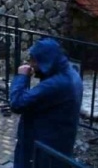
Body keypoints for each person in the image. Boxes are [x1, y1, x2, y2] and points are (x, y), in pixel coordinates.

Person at [9, 38, 84, 168]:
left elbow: (17, 103)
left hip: (43, 145)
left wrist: (22, 77)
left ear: (45, 61)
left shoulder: (56, 84)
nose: (31, 65)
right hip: (56, 141)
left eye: (34, 60)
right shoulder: (70, 72)